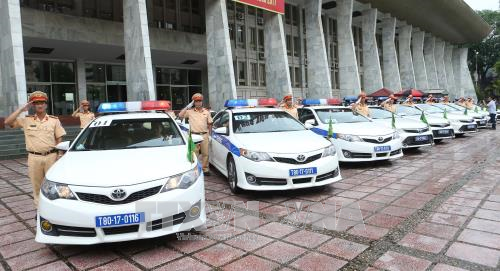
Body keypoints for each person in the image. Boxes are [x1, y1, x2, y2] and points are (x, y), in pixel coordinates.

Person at [4, 91, 66, 206]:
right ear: (33, 105)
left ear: (46, 104)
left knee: (53, 184)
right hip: (34, 158)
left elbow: (59, 138)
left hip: (51, 157)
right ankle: (39, 209)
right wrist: (21, 109)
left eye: (42, 102)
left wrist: (59, 155)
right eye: (36, 103)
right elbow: (7, 122)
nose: (40, 105)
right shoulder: (27, 120)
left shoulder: (54, 120)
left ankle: (54, 208)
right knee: (36, 186)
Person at [179, 93, 213, 175]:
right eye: (196, 101)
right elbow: (180, 115)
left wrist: (210, 135)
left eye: (199, 101)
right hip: (194, 135)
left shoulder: (206, 112)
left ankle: (205, 169)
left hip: (204, 135)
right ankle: (194, 169)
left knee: (205, 154)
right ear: (194, 102)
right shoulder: (190, 112)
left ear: (202, 102)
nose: (198, 103)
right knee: (194, 154)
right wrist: (188, 106)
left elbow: (210, 124)